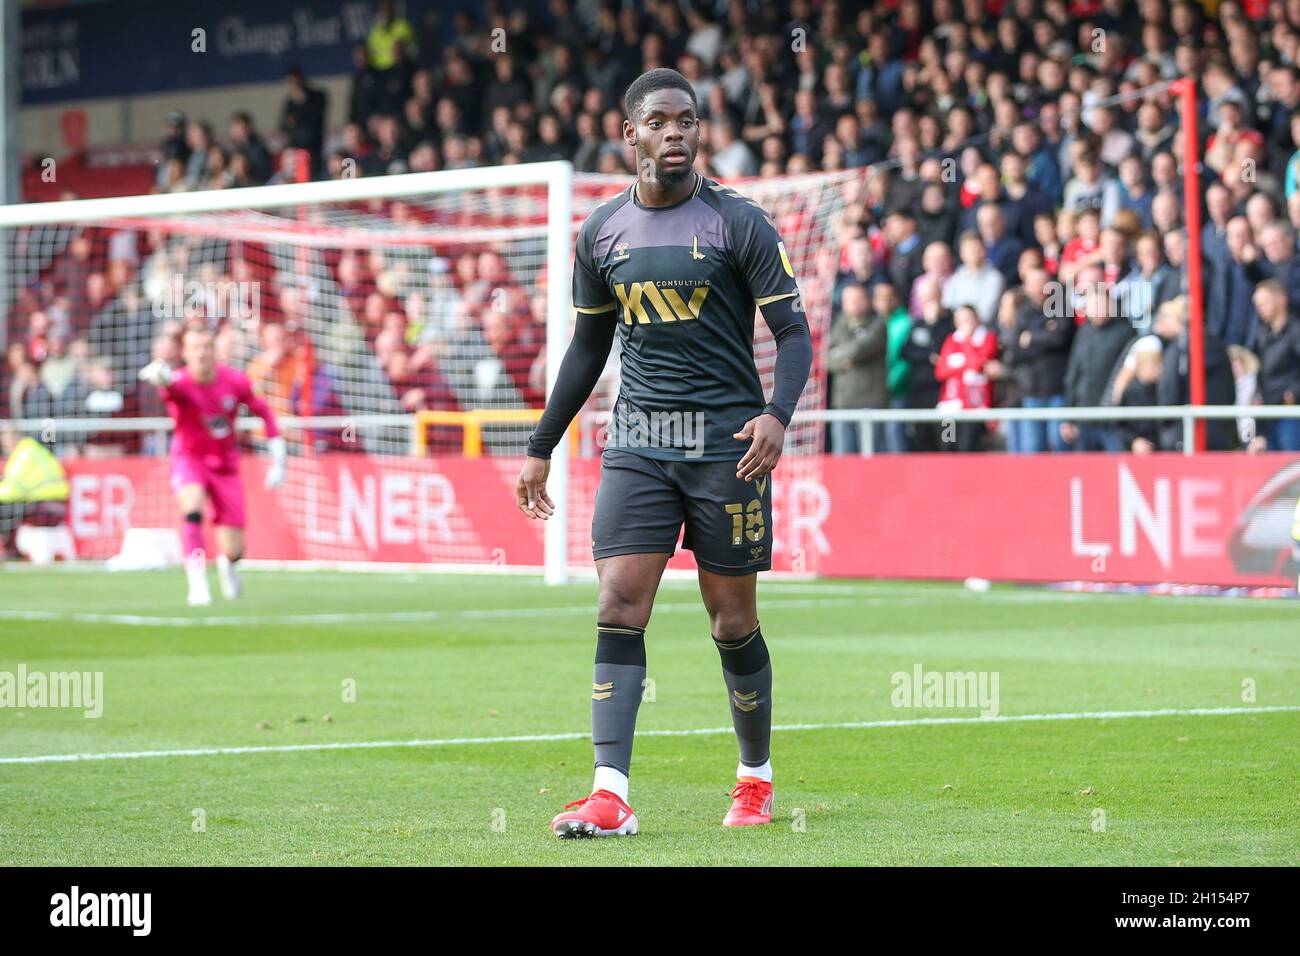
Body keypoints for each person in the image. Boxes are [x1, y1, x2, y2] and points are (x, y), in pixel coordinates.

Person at [514, 69, 812, 837]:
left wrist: (778, 414)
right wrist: (543, 444)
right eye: (659, 122)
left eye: (687, 121)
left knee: (731, 620)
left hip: (728, 449)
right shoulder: (600, 232)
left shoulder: (738, 223)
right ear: (632, 136)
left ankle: (754, 780)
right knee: (618, 601)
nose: (675, 132)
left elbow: (794, 333)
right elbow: (587, 348)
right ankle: (609, 793)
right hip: (640, 442)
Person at [138, 326, 286, 606]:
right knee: (192, 511)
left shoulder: (235, 381)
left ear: (214, 351)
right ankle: (197, 581)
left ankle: (228, 565)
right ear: (186, 353)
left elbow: (264, 411)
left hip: (225, 465)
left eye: (206, 347)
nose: (201, 353)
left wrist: (279, 458)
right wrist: (161, 379)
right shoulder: (179, 382)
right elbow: (168, 386)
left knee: (234, 549)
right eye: (195, 348)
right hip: (190, 459)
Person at [827, 282, 888, 454]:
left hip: (870, 403)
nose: (854, 303)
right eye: (850, 300)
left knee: (870, 457)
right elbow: (825, 358)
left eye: (858, 299)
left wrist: (839, 353)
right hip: (842, 403)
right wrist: (843, 358)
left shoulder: (878, 324)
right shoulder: (839, 324)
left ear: (867, 301)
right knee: (842, 455)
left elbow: (858, 350)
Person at [0, 425, 69, 560]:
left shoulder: (23, 455)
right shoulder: (34, 449)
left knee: (5, 510)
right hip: (57, 502)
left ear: (15, 438)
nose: (3, 444)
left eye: (5, 439)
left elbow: (13, 489)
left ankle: (11, 551)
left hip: (44, 503)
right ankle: (12, 550)